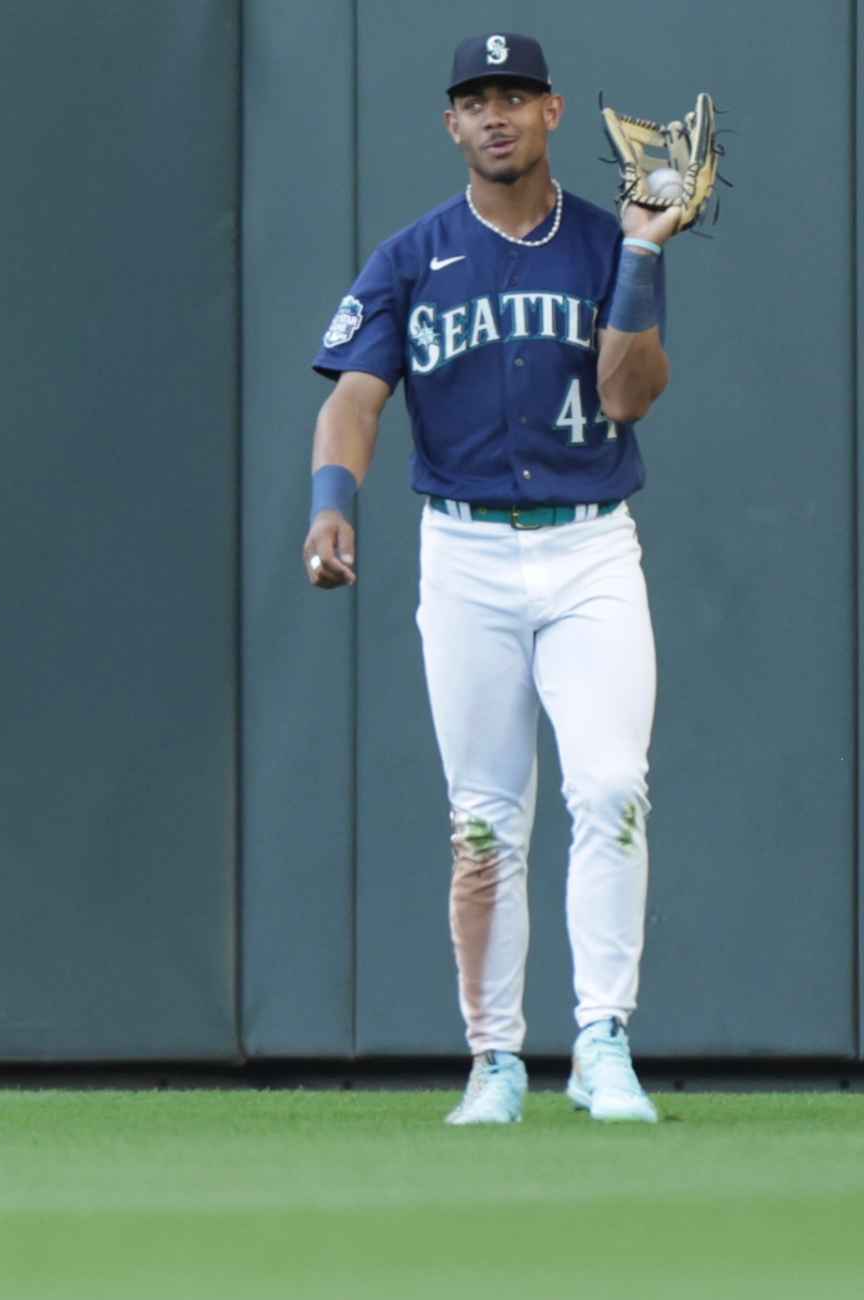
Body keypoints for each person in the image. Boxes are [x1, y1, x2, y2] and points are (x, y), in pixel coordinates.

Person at [302, 33, 683, 1125]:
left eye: (515, 95)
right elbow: (352, 398)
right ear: (451, 124)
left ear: (554, 111)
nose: (496, 114)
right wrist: (333, 502)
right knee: (482, 823)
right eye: (477, 99)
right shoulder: (413, 256)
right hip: (463, 550)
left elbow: (629, 397)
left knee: (609, 787)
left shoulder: (609, 242)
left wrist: (649, 255)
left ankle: (603, 1040)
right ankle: (496, 1060)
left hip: (588, 544)